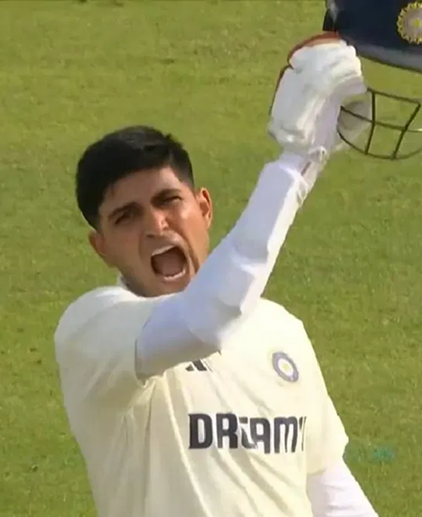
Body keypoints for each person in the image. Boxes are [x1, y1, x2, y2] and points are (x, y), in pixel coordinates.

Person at [53, 32, 378, 517]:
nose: (155, 225)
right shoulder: (94, 331)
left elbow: (328, 488)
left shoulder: (280, 330)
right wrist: (298, 161)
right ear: (101, 248)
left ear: (204, 208)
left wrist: (308, 158)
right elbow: (205, 321)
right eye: (127, 217)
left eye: (168, 201)